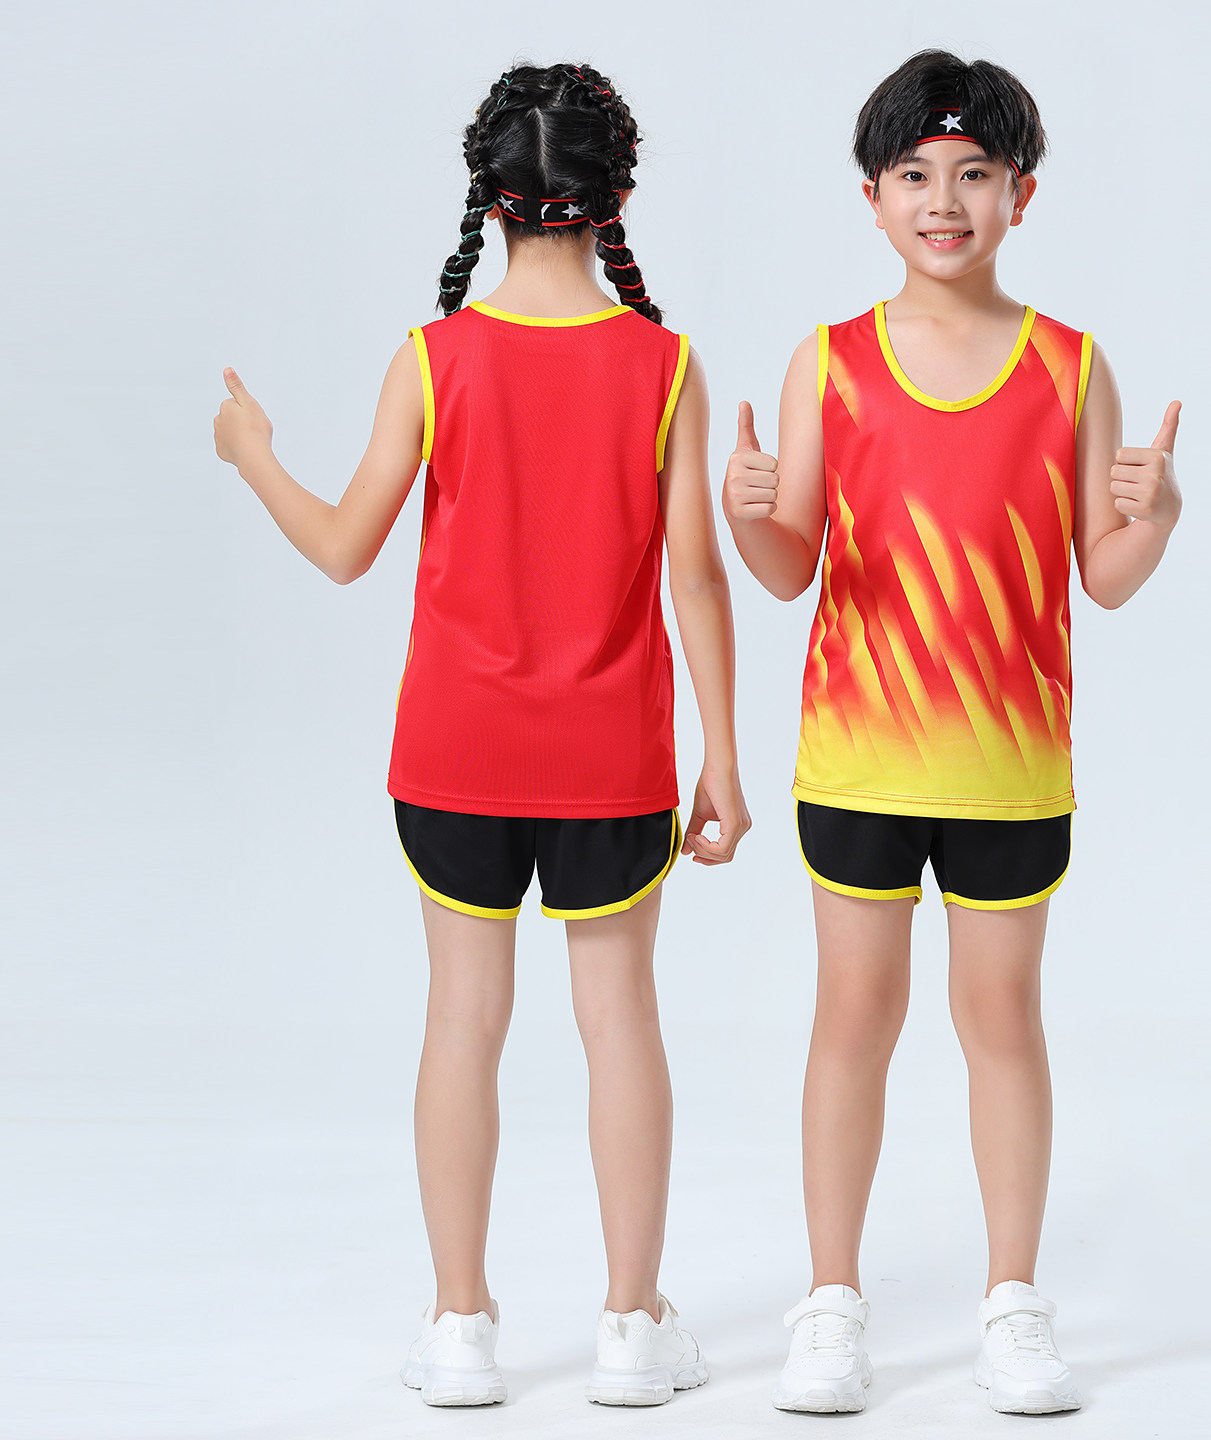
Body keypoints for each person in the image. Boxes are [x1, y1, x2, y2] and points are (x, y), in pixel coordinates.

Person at [213, 61, 750, 1410]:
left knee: (461, 1021)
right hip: (612, 763)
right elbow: (696, 579)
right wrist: (725, 759)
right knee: (620, 1023)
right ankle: (631, 1327)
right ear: (616, 195)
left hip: (455, 757)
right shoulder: (666, 366)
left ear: (488, 196)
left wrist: (252, 450)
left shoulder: (432, 359)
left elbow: (344, 547)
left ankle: (459, 1326)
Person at [723, 49, 1181, 1417]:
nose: (944, 200)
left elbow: (1103, 575)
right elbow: (791, 566)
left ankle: (1013, 1302)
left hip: (1010, 768)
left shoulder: (1071, 365)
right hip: (857, 759)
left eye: (974, 173)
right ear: (871, 195)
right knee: (852, 1018)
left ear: (1020, 195)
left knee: (1002, 1022)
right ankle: (832, 1302)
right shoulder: (830, 361)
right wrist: (748, 514)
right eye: (915, 174)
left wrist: (1158, 516)